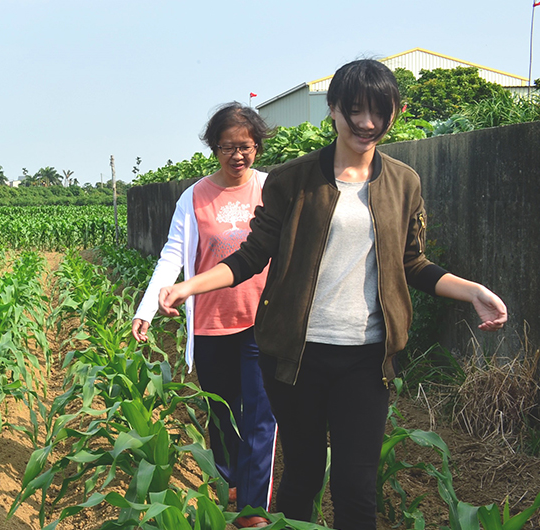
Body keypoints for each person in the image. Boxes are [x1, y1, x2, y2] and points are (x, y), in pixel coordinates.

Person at [158, 59, 507, 530]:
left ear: (395, 113)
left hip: (367, 357)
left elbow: (414, 265)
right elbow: (251, 256)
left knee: (356, 487)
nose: (367, 123)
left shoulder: (404, 182)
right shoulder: (292, 180)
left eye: (379, 111)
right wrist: (188, 286)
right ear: (334, 110)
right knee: (300, 477)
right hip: (298, 357)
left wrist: (472, 292)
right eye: (355, 110)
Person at [133, 102, 277, 529]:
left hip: (262, 322)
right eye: (228, 147)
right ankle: (231, 486)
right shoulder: (194, 196)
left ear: (258, 146)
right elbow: (173, 254)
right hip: (212, 323)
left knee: (260, 417)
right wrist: (147, 308)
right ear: (214, 148)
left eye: (246, 147)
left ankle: (253, 512)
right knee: (222, 414)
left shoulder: (272, 190)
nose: (238, 156)